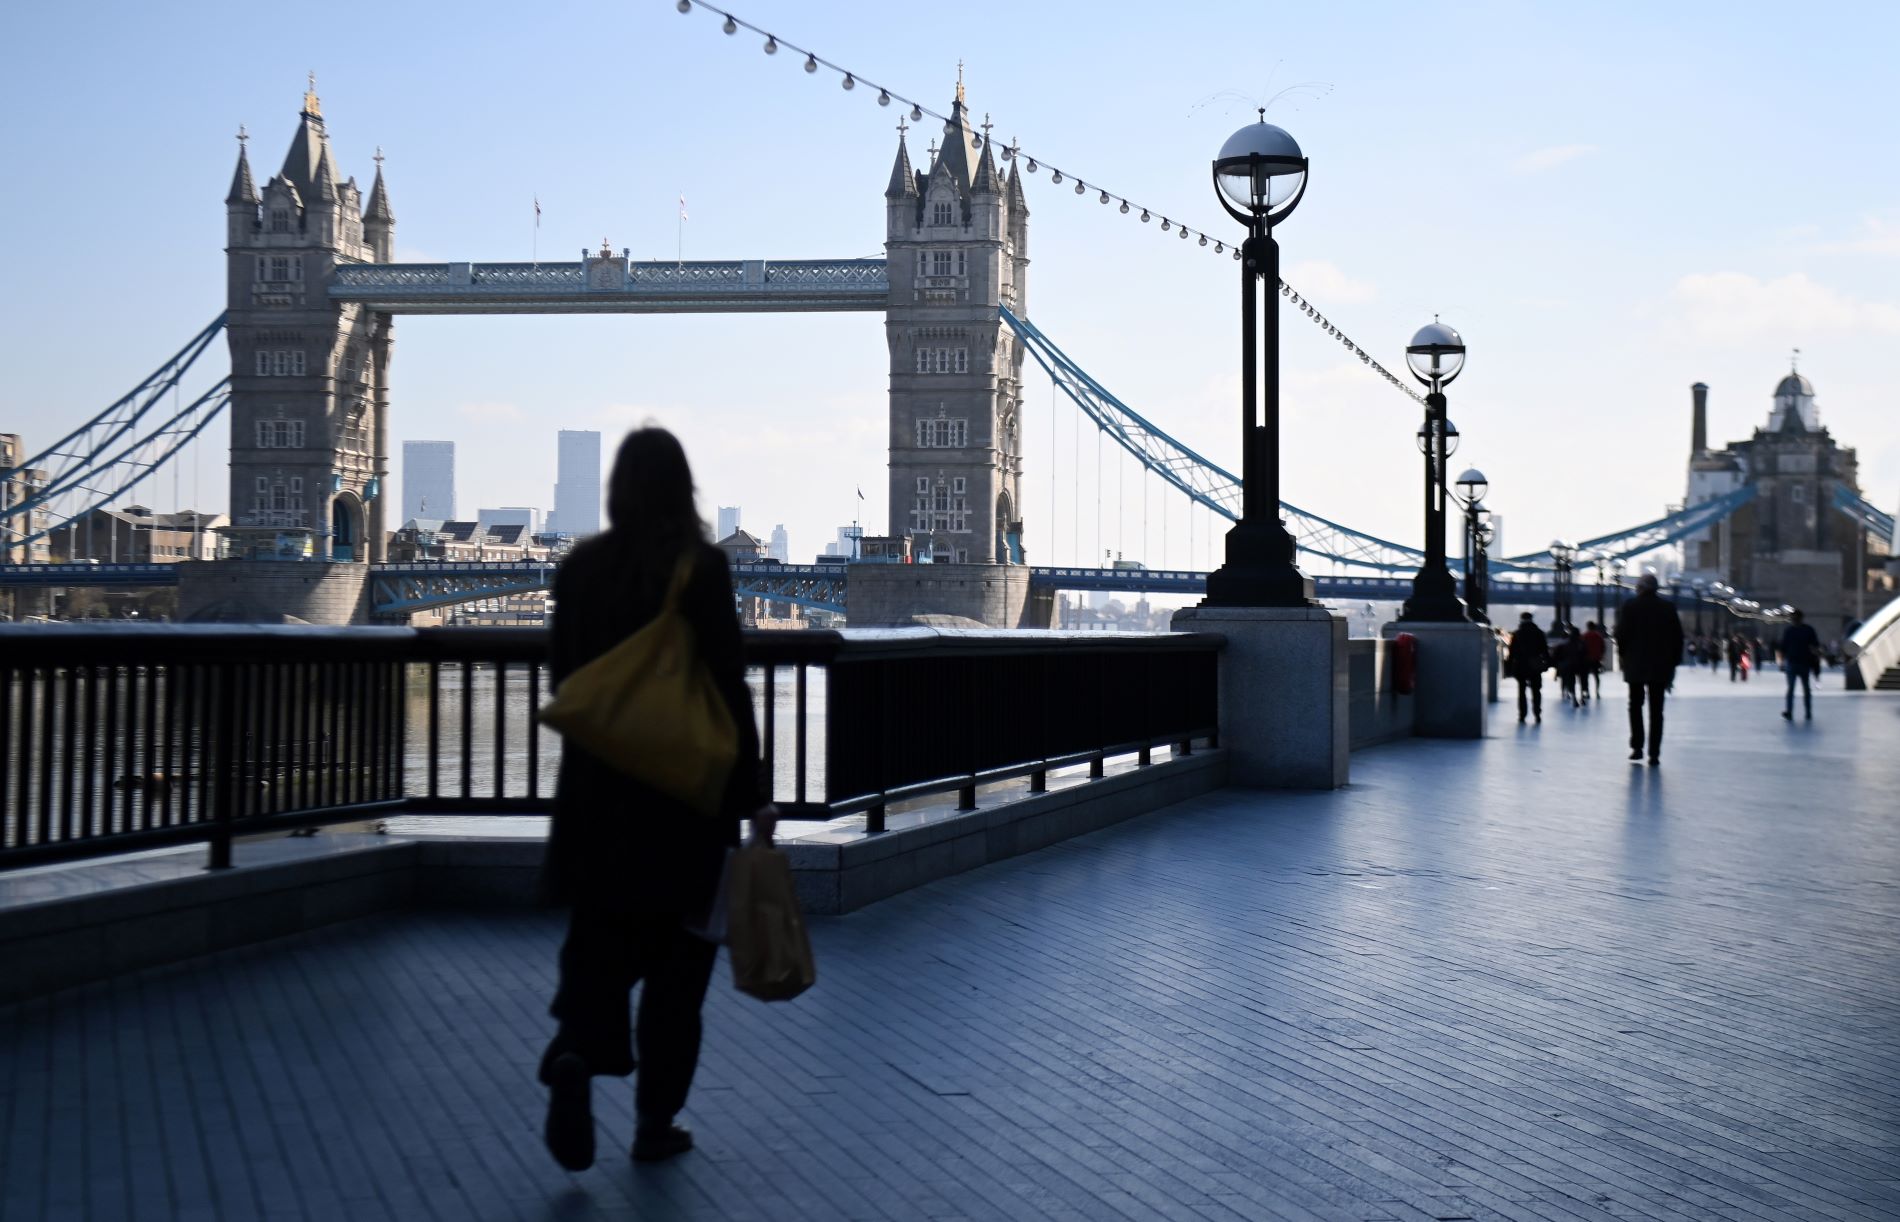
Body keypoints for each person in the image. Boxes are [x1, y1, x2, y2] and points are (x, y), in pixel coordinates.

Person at [538, 427, 774, 1170]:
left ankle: (576, 1052)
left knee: (596, 954)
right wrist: (753, 793)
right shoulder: (700, 568)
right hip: (687, 808)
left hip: (596, 800)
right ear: (684, 489)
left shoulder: (580, 567)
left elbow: (564, 683)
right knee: (678, 978)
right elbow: (729, 685)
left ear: (615, 489)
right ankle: (654, 1125)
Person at [1614, 573, 1684, 766]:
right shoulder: (1668, 607)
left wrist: (1623, 656)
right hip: (1660, 666)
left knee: (1635, 706)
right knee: (1657, 710)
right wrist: (1673, 663)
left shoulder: (1630, 606)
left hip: (1635, 664)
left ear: (1641, 588)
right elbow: (1677, 638)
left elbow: (1620, 634)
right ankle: (1654, 753)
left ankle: (1637, 747)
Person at [1776, 608, 1821, 721]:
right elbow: (1815, 647)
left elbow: (1782, 648)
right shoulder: (1807, 630)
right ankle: (1807, 712)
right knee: (1804, 689)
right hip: (1801, 662)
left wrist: (1781, 662)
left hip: (1795, 662)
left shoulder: (1789, 631)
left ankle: (1791, 711)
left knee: (1793, 689)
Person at [1507, 611, 1550, 723]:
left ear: (1521, 619)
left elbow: (1512, 652)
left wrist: (1508, 667)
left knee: (1521, 691)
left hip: (1521, 665)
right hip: (1535, 665)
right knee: (1536, 690)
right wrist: (1547, 663)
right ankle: (1537, 713)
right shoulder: (1539, 633)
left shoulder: (1517, 634)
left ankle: (1522, 714)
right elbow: (1545, 650)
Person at [1582, 620, 1608, 702]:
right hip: (1596, 658)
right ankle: (1597, 692)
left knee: (1585, 677)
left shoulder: (1584, 636)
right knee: (1596, 676)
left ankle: (1587, 692)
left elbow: (1581, 647)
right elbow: (1603, 647)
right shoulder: (1598, 636)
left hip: (1586, 659)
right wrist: (1601, 656)